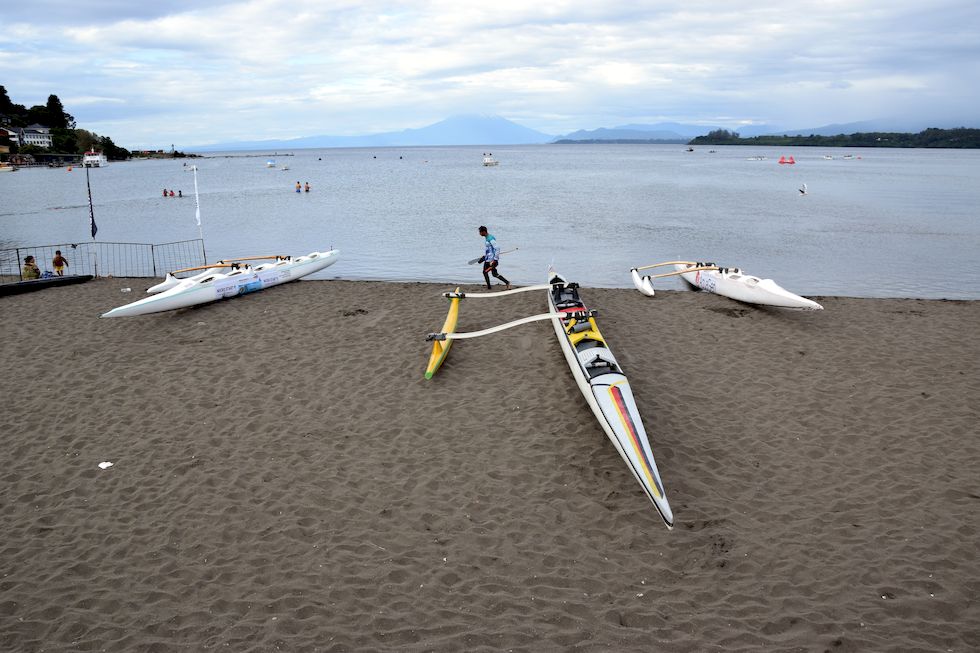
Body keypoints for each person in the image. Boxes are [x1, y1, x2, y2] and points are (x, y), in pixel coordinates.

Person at [477, 225, 510, 290]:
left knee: (485, 272)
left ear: (483, 232)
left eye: (480, 232)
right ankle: (507, 282)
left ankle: (489, 287)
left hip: (491, 261)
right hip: (487, 259)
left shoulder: (490, 238)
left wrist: (495, 259)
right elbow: (490, 249)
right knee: (494, 274)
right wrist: (485, 256)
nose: (479, 234)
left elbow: (497, 248)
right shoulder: (487, 238)